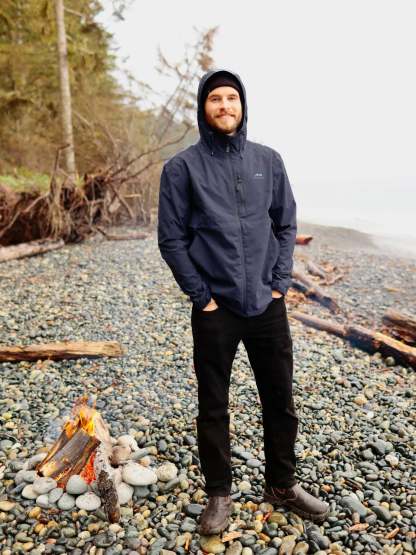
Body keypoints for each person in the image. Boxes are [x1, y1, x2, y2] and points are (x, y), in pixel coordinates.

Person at [158, 69, 329, 535]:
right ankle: (219, 493)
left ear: (242, 105)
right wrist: (201, 296)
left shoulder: (268, 160)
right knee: (213, 405)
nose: (225, 106)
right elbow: (171, 239)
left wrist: (280, 282)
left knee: (280, 399)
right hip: (216, 308)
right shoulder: (182, 169)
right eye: (215, 98)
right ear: (203, 108)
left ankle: (282, 485)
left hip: (266, 305)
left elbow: (286, 223)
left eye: (231, 98)